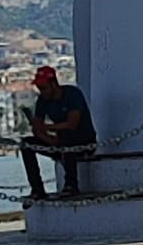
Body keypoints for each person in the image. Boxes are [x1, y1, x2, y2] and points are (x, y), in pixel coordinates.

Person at [21, 65, 97, 200]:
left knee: (68, 135)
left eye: (43, 87)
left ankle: (71, 185)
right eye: (39, 88)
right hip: (61, 143)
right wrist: (50, 139)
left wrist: (46, 128)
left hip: (83, 142)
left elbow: (72, 124)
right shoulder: (42, 100)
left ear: (53, 84)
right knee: (27, 144)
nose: (41, 91)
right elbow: (37, 128)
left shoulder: (72, 94)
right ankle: (37, 188)